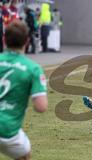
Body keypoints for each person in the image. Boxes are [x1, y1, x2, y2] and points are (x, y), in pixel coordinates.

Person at [0, 20, 48, 160]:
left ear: (4, 39)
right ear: (27, 41)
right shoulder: (33, 68)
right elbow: (41, 107)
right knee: (25, 156)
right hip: (7, 130)